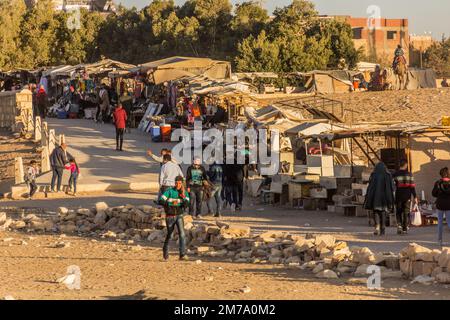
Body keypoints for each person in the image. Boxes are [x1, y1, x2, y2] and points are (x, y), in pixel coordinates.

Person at [159, 176, 190, 261]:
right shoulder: (169, 191)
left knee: (182, 234)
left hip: (179, 216)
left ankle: (182, 255)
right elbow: (161, 200)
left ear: (182, 183)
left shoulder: (184, 192)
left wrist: (183, 198)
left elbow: (187, 204)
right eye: (176, 182)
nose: (178, 184)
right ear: (174, 183)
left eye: (179, 183)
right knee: (170, 235)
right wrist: (171, 203)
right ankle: (165, 253)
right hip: (170, 216)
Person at [364, 162, 395, 236]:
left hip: (375, 196)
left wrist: (368, 197)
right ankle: (383, 229)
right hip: (384, 197)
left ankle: (377, 226)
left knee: (376, 211)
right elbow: (392, 187)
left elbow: (370, 187)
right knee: (383, 212)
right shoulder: (388, 175)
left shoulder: (373, 175)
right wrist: (391, 198)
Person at [393, 159, 418, 234]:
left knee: (398, 211)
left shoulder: (395, 174)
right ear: (406, 165)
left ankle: (399, 225)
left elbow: (392, 186)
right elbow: (412, 187)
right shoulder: (409, 174)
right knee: (406, 211)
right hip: (407, 196)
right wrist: (415, 197)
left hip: (398, 195)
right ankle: (405, 229)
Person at [432, 167, 450, 247]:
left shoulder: (437, 183)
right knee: (449, 223)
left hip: (440, 204)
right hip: (449, 205)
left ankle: (440, 241)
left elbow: (434, 194)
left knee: (440, 223)